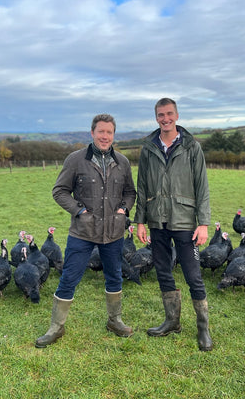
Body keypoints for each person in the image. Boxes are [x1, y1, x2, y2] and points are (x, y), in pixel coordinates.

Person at [35, 113, 136, 348]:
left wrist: (123, 210)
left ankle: (115, 320)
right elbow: (59, 191)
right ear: (92, 133)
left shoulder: (122, 162)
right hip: (82, 232)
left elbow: (130, 192)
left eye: (109, 132)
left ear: (113, 135)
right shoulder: (76, 159)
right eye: (100, 131)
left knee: (114, 276)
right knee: (69, 277)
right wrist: (80, 212)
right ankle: (56, 327)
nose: (105, 136)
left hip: (113, 232)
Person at [134, 98, 213, 351]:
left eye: (169, 114)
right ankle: (172, 321)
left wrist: (203, 223)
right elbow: (142, 186)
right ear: (156, 117)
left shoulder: (191, 147)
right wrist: (140, 221)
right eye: (160, 115)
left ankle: (203, 329)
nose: (165, 118)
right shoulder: (148, 148)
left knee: (193, 275)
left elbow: (202, 186)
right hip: (157, 220)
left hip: (185, 221)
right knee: (163, 272)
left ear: (176, 115)